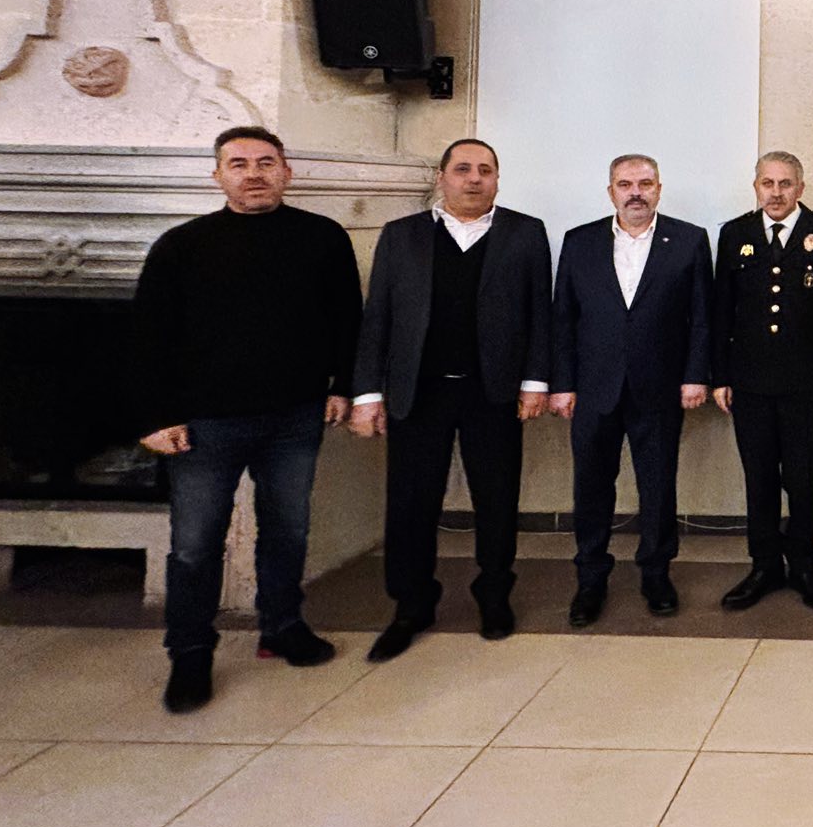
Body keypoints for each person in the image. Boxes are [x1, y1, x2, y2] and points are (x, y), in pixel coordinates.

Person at [131, 126, 362, 713]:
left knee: (288, 531)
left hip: (295, 416)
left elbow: (346, 320)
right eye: (238, 164)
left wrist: (344, 386)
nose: (253, 174)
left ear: (286, 172)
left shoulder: (322, 237)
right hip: (205, 424)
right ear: (218, 176)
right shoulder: (181, 246)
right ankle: (190, 653)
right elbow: (148, 339)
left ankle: (282, 627)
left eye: (265, 162)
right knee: (194, 544)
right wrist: (155, 416)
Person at [350, 139, 551, 658]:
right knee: (411, 504)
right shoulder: (402, 235)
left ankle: (494, 595)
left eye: (486, 170)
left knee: (497, 500)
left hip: (493, 391)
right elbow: (379, 317)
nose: (474, 178)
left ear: (498, 179)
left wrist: (535, 382)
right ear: (442, 177)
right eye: (463, 169)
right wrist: (367, 393)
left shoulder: (526, 233)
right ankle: (411, 605)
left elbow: (539, 313)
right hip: (419, 391)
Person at [549, 154, 712, 626]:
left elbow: (701, 316)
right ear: (611, 192)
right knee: (591, 487)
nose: (635, 192)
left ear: (659, 189)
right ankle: (590, 579)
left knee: (658, 486)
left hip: (660, 387)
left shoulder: (689, 239)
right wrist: (563, 384)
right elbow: (564, 319)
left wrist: (695, 375)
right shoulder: (579, 241)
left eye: (645, 183)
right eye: (625, 184)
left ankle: (656, 574)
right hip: (593, 389)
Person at [710, 150, 813, 612]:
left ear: (800, 188)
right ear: (756, 186)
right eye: (767, 183)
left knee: (805, 478)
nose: (776, 192)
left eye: (785, 183)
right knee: (760, 479)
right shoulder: (736, 234)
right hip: (749, 382)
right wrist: (720, 376)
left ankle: (804, 565)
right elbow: (721, 311)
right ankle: (765, 566)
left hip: (807, 382)